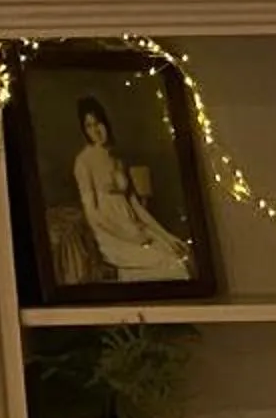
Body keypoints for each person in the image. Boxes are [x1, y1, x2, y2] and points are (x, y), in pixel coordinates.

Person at [69, 96, 192, 281]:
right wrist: (128, 235)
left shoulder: (118, 160)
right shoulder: (83, 162)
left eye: (98, 123)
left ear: (106, 123)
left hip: (135, 226)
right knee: (168, 264)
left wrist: (166, 235)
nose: (96, 130)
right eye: (89, 126)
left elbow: (136, 207)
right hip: (111, 235)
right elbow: (92, 214)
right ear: (84, 130)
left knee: (178, 252)